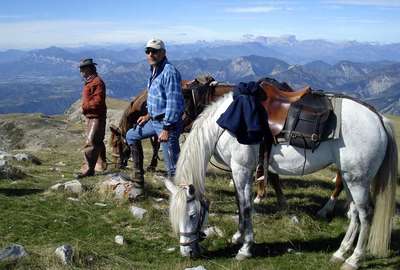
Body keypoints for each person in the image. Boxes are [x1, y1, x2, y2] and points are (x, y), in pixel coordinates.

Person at [126, 38, 184, 199]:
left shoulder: (169, 72)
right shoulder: (154, 70)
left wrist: (166, 129)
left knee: (172, 166)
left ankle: (181, 200)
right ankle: (138, 180)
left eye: (154, 51)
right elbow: (158, 99)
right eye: (148, 51)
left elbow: (173, 103)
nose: (150, 54)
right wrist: (148, 115)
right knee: (131, 135)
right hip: (155, 120)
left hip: (167, 124)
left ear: (163, 53)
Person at [77, 58, 107, 178]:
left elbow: (98, 101)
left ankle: (89, 170)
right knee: (95, 141)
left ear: (89, 69)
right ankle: (95, 166)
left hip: (96, 116)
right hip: (91, 116)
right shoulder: (91, 82)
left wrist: (85, 106)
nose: (81, 72)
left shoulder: (97, 82)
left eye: (83, 69)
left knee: (91, 142)